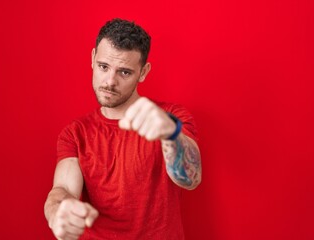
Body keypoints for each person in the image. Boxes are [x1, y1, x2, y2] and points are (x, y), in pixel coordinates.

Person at [44, 18, 202, 240]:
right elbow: (62, 189)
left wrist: (171, 135)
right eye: (103, 67)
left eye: (124, 72)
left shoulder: (171, 119)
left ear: (143, 72)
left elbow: (190, 179)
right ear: (92, 59)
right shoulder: (75, 133)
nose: (110, 81)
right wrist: (59, 211)